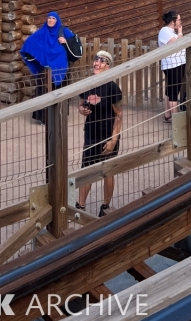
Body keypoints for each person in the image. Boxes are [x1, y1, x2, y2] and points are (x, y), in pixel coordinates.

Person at [76, 50, 122, 217]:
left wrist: (113, 140)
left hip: (108, 134)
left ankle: (106, 206)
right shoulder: (88, 84)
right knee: (86, 169)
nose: (97, 63)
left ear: (108, 67)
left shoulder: (113, 88)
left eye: (102, 60)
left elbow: (119, 116)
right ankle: (80, 206)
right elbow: (81, 103)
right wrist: (82, 109)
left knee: (107, 171)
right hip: (91, 133)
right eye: (96, 59)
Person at [20, 11, 74, 122]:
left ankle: (58, 117)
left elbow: (75, 44)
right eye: (49, 18)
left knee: (59, 92)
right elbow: (29, 43)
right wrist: (36, 58)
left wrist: (66, 42)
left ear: (57, 20)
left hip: (60, 69)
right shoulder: (42, 32)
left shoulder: (63, 31)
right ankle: (43, 119)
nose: (50, 20)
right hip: (44, 70)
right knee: (43, 92)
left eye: (53, 18)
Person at [158, 10, 185, 122]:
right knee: (174, 89)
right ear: (173, 21)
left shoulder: (171, 31)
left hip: (178, 63)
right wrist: (180, 33)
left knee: (171, 88)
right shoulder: (165, 31)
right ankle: (176, 118)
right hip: (172, 64)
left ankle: (168, 114)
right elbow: (176, 44)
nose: (180, 22)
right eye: (179, 19)